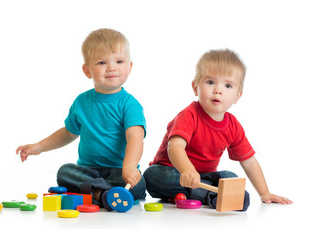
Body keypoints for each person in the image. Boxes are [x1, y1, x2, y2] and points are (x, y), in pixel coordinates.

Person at [143, 49, 292, 211]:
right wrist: (187, 170)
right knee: (152, 176)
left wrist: (264, 193)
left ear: (237, 96)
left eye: (228, 85)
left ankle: (202, 193)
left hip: (204, 176)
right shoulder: (189, 115)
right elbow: (175, 147)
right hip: (173, 172)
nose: (218, 90)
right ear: (195, 87)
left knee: (230, 177)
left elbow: (248, 161)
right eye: (210, 82)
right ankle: (208, 194)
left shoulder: (233, 125)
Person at [16, 28, 147, 210]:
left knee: (138, 184)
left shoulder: (130, 104)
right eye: (102, 62)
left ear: (130, 67)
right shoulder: (81, 102)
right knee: (65, 172)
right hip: (89, 171)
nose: (111, 67)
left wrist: (130, 167)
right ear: (87, 70)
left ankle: (98, 193)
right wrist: (39, 147)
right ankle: (106, 194)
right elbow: (68, 133)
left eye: (119, 61)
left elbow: (135, 138)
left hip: (120, 172)